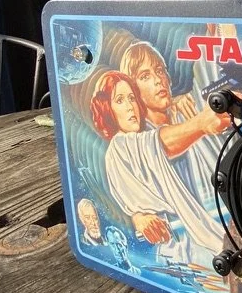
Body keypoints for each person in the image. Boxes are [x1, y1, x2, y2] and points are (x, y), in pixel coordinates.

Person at [91, 67, 228, 258]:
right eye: (119, 100)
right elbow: (159, 143)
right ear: (107, 109)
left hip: (189, 245)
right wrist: (201, 124)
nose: (130, 106)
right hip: (178, 249)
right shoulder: (120, 146)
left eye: (132, 98)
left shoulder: (135, 140)